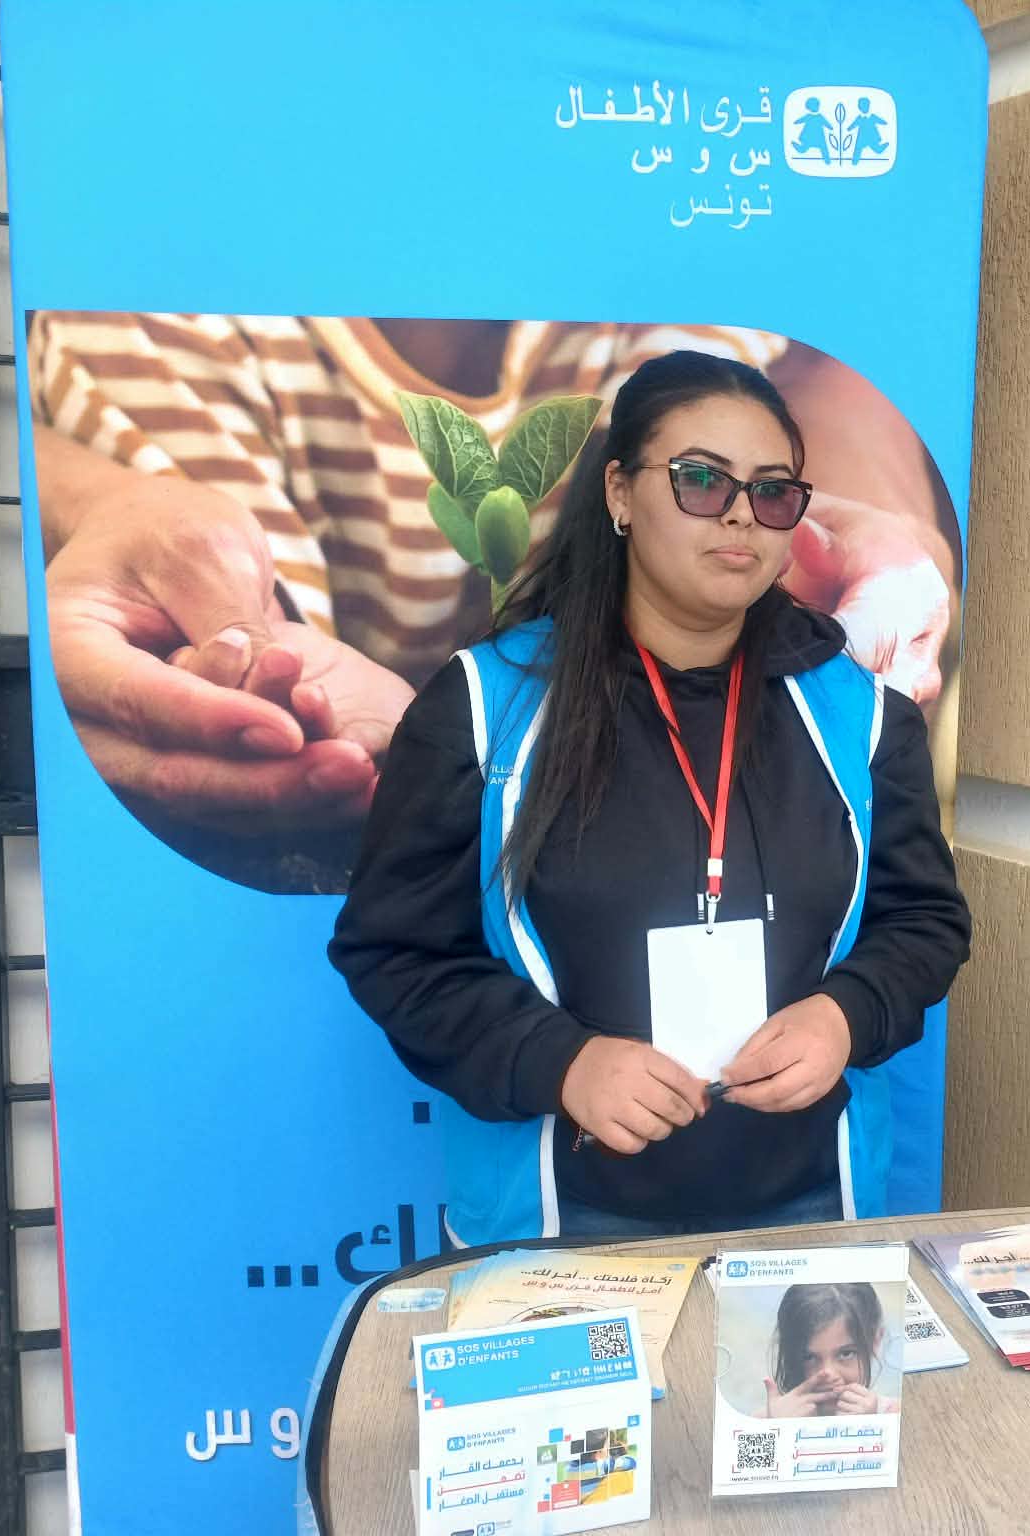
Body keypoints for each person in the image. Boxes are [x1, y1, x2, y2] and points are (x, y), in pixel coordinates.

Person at [328, 350, 970, 1245]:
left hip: (811, 1211)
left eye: (772, 491)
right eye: (702, 480)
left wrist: (844, 1016)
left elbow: (924, 923)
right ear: (620, 493)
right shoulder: (483, 707)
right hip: (558, 1224)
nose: (740, 513)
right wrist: (562, 1063)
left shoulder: (859, 713)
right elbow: (395, 951)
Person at [28, 314, 961, 890]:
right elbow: (250, 631)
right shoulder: (159, 332)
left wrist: (857, 533)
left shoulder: (675, 251)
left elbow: (814, 367)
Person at [762, 1283, 900, 1418]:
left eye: (846, 1354)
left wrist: (871, 1425)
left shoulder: (895, 1414)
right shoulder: (767, 1421)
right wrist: (781, 1427)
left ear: (875, 1342)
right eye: (809, 1357)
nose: (828, 1373)